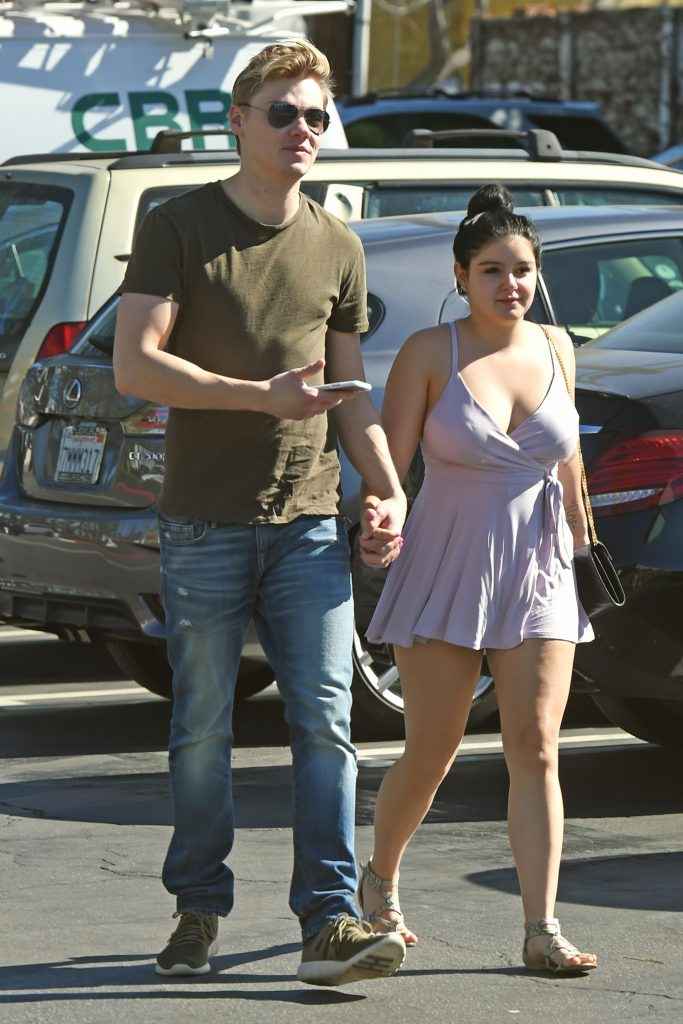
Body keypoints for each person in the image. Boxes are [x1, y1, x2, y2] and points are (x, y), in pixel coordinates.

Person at [113, 40, 407, 987]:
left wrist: (385, 485)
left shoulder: (338, 243)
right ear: (238, 121)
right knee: (202, 726)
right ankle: (198, 907)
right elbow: (135, 365)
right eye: (282, 112)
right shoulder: (179, 224)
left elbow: (348, 391)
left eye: (316, 115)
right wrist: (259, 397)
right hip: (203, 521)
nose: (301, 129)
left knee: (325, 718)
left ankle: (330, 919)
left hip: (309, 522)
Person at [357, 184, 599, 974]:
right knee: (433, 747)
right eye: (491, 269)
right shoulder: (431, 353)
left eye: (521, 269)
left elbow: (567, 461)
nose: (509, 284)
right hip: (447, 562)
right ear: (460, 276)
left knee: (535, 746)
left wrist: (583, 547)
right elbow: (392, 467)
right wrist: (379, 519)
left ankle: (541, 928)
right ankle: (380, 881)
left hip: (538, 569)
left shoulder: (556, 347)